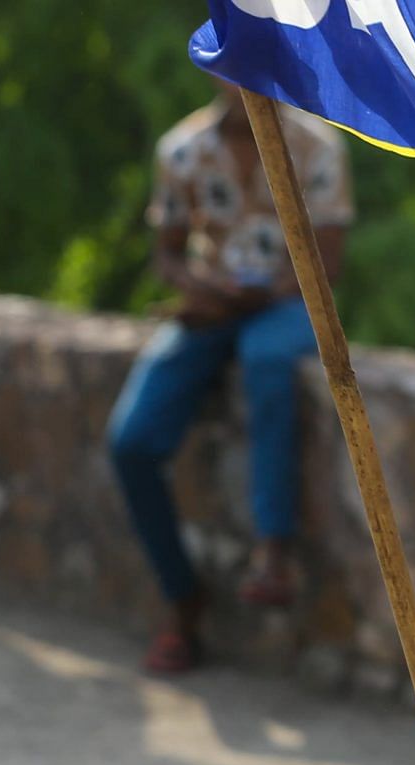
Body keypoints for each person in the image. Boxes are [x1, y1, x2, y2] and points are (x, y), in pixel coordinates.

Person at [106, 85, 349, 675]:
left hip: (285, 303)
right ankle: (181, 595)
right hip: (211, 306)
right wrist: (201, 290)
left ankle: (273, 549)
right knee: (131, 442)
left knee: (268, 363)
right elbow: (165, 252)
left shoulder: (316, 148)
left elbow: (329, 262)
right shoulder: (184, 149)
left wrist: (266, 295)